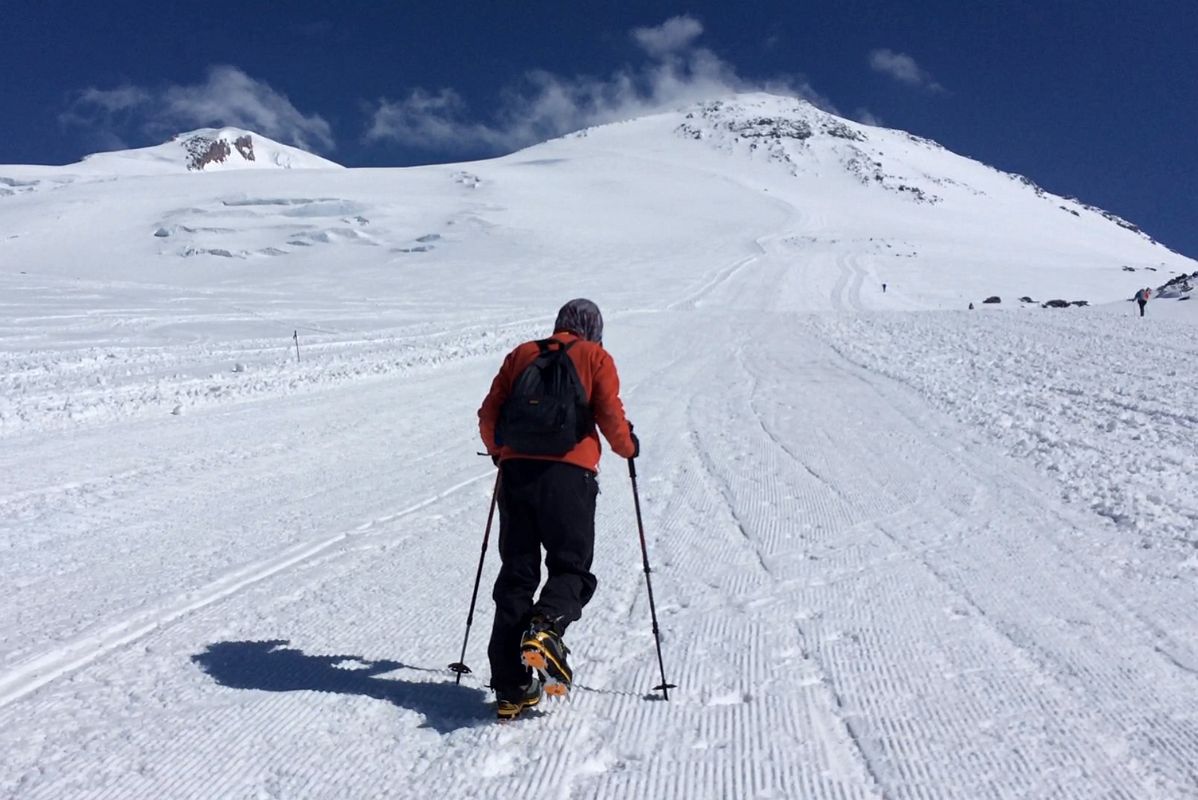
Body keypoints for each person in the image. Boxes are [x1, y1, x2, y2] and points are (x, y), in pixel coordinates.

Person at [477, 298, 638, 720]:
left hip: (516, 476)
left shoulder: (522, 354)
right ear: (593, 328)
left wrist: (500, 453)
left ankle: (511, 687)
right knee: (571, 568)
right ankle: (546, 628)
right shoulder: (595, 356)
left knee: (516, 575)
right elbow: (610, 416)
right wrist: (629, 446)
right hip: (570, 479)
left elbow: (489, 413)